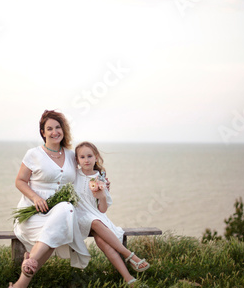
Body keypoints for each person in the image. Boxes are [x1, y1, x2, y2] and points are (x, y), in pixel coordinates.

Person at [9, 110, 91, 288]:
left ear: (63, 130)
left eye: (58, 127)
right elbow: (20, 181)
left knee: (65, 210)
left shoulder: (70, 155)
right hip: (34, 213)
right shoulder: (33, 154)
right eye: (49, 128)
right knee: (55, 231)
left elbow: (87, 173)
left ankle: (23, 277)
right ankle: (22, 281)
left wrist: (101, 182)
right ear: (43, 132)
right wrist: (35, 197)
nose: (55, 132)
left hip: (59, 213)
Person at [73, 141, 150, 286]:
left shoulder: (100, 178)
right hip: (79, 216)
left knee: (102, 241)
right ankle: (129, 255)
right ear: (77, 160)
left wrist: (101, 194)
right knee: (94, 221)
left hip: (97, 216)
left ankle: (130, 280)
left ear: (96, 157)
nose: (86, 160)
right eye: (82, 157)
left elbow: (102, 209)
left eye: (89, 156)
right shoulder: (73, 176)